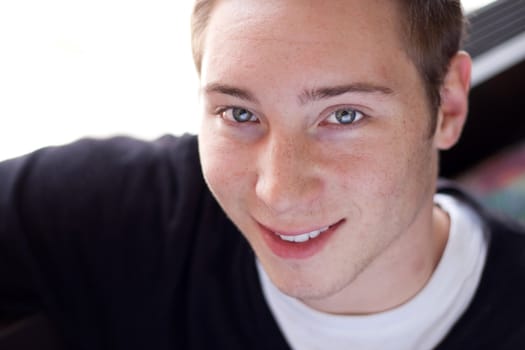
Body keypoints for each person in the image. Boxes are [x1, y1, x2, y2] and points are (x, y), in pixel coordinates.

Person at [1, 0, 525, 349]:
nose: (277, 192)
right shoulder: (133, 215)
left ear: (449, 106)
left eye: (343, 115)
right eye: (239, 114)